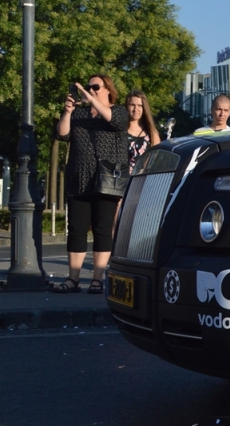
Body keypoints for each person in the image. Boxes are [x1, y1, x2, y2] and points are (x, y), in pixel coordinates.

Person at [53, 75, 129, 294]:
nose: (91, 90)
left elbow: (113, 121)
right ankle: (73, 278)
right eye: (88, 88)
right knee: (76, 228)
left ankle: (97, 279)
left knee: (102, 228)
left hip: (106, 179)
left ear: (108, 89)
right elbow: (63, 134)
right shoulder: (80, 113)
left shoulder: (118, 112)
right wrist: (68, 111)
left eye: (95, 87)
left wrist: (91, 99)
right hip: (79, 177)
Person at [125, 90, 161, 173]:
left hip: (142, 180)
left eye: (139, 105)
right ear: (127, 106)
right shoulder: (120, 129)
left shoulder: (151, 133)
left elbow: (155, 159)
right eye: (132, 105)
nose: (136, 109)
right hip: (120, 181)